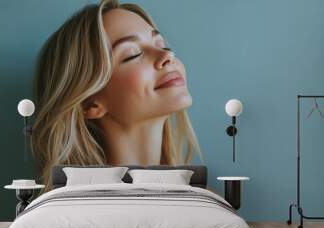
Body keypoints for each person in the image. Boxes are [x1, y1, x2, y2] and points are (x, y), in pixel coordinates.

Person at [32, 0, 203, 191]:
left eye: (162, 45)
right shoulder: (78, 213)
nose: (167, 56)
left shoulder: (205, 202)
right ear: (90, 104)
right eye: (133, 54)